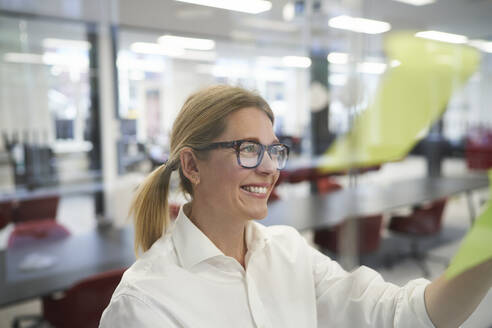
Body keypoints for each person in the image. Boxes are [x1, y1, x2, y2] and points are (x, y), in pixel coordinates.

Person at [100, 85, 492, 327]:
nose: (270, 168)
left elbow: (402, 316)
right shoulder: (144, 304)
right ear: (191, 165)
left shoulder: (289, 252)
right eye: (249, 149)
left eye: (274, 150)